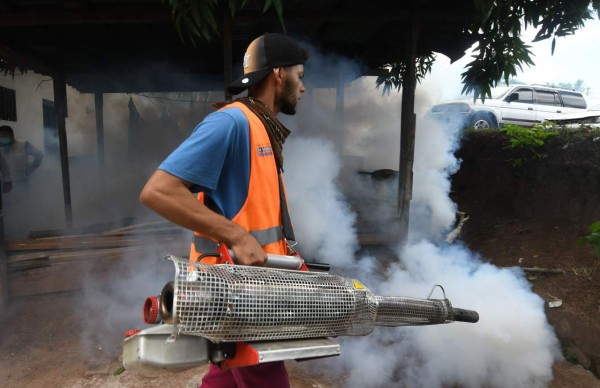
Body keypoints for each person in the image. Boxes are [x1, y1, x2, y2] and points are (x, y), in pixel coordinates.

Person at [139, 32, 308, 388]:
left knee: (224, 379)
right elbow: (159, 191)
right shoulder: (231, 122)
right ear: (279, 74)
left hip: (246, 294)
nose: (303, 87)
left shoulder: (260, 127)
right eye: (300, 76)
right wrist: (234, 235)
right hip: (239, 299)